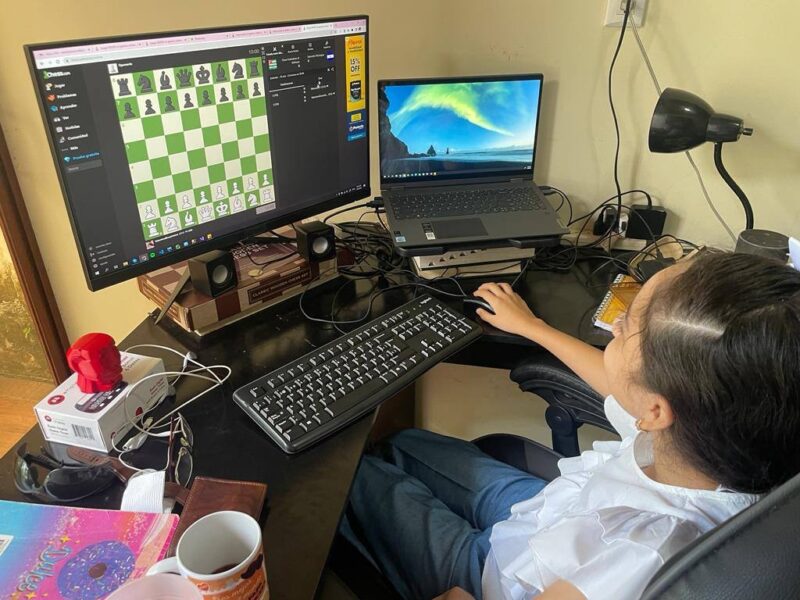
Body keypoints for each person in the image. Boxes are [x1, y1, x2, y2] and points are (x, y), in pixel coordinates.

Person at [342, 251, 800, 600]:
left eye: (626, 327)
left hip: (494, 577)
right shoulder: (710, 433)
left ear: (654, 410)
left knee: (353, 476)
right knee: (402, 443)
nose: (614, 325)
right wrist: (532, 326)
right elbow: (615, 380)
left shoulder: (643, 551)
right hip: (545, 515)